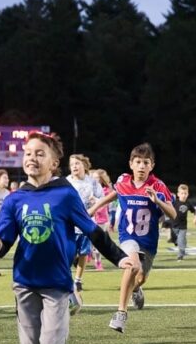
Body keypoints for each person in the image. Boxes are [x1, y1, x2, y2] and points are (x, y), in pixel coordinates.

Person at [0, 132, 136, 344]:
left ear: (54, 163)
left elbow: (91, 230)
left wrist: (118, 257)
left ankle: (70, 297)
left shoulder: (65, 194)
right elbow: (3, 242)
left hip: (55, 282)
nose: (32, 158)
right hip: (24, 281)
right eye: (28, 153)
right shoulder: (16, 199)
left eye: (40, 153)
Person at [88, 143, 176, 334]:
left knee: (141, 277)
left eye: (146, 162)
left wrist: (158, 201)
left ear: (152, 165)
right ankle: (121, 313)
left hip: (148, 242)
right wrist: (93, 209)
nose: (142, 166)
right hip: (128, 236)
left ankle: (136, 289)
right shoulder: (123, 182)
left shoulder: (158, 186)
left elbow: (173, 214)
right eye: (138, 162)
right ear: (131, 164)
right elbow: (113, 195)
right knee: (132, 265)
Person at [66, 154, 103, 293]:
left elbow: (102, 198)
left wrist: (96, 202)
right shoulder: (66, 182)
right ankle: (66, 278)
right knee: (68, 253)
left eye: (77, 163)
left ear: (84, 165)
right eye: (72, 164)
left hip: (86, 224)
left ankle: (78, 280)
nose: (74, 166)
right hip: (69, 224)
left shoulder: (92, 182)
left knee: (84, 253)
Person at [89, 169, 113, 271]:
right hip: (90, 219)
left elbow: (105, 204)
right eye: (93, 178)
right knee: (88, 241)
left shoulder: (106, 190)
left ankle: (98, 262)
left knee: (99, 243)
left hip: (102, 219)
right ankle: (88, 253)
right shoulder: (88, 189)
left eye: (97, 178)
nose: (94, 180)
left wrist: (95, 199)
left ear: (101, 179)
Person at [171, 184, 196, 261]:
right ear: (178, 194)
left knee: (181, 240)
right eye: (182, 193)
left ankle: (180, 255)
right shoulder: (174, 202)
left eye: (185, 193)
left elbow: (194, 211)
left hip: (183, 227)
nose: (184, 195)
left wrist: (195, 218)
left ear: (187, 194)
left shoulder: (188, 203)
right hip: (173, 226)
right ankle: (180, 243)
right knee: (176, 240)